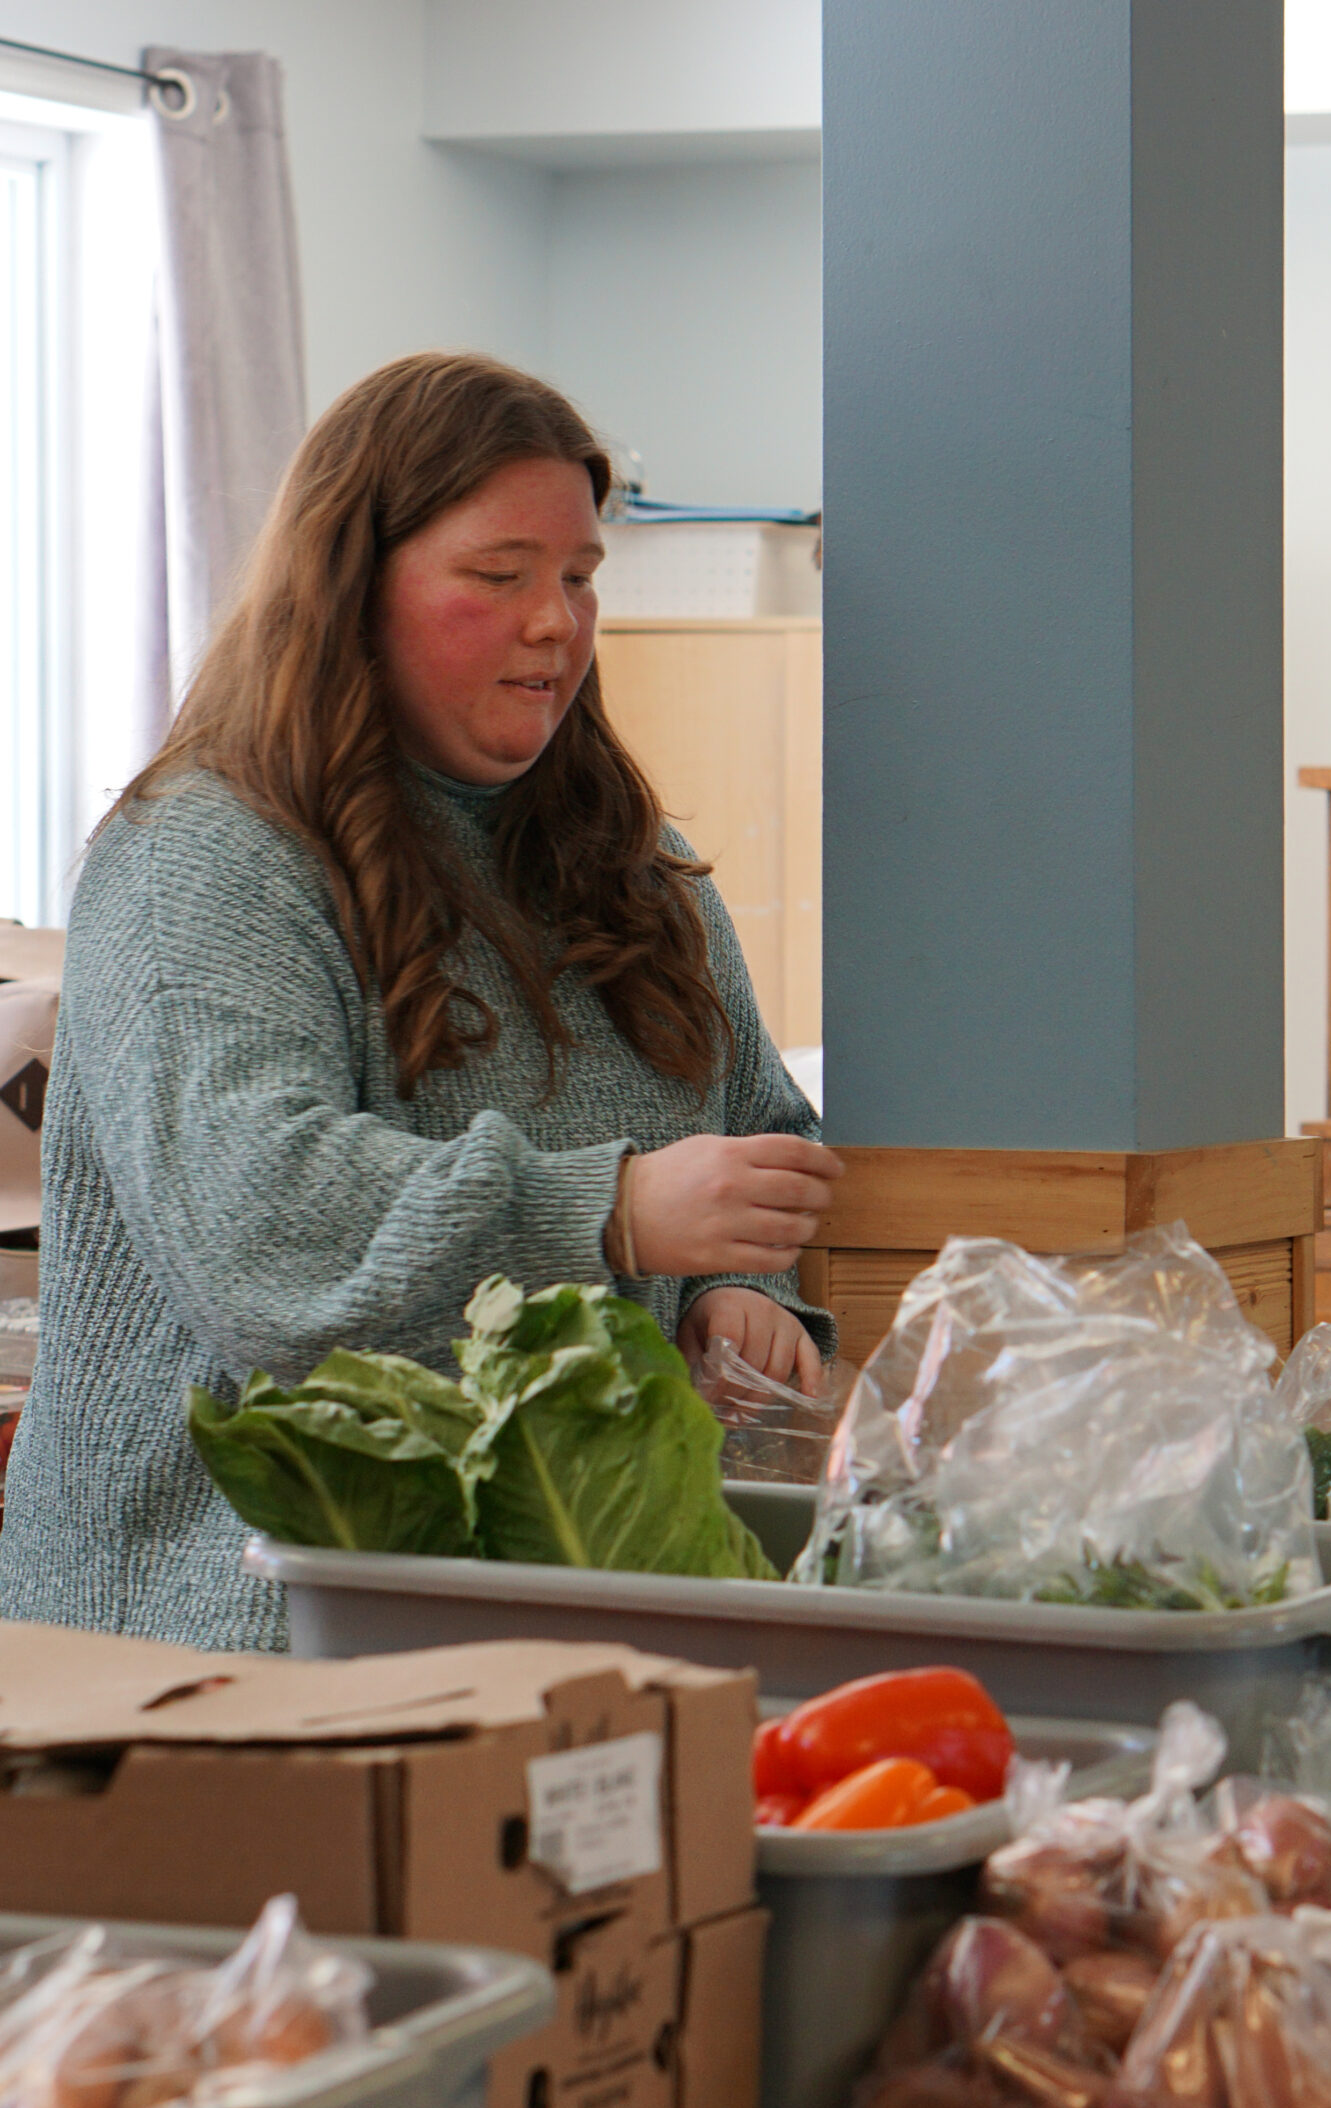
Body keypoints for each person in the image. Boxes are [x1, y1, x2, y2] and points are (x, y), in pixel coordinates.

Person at [0, 352, 844, 1652]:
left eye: (577, 577)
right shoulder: (202, 857)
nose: (556, 623)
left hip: (554, 1611)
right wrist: (608, 1211)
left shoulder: (633, 862)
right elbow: (261, 1230)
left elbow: (745, 1136)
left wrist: (750, 1291)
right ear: (353, 590)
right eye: (498, 577)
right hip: (223, 1641)